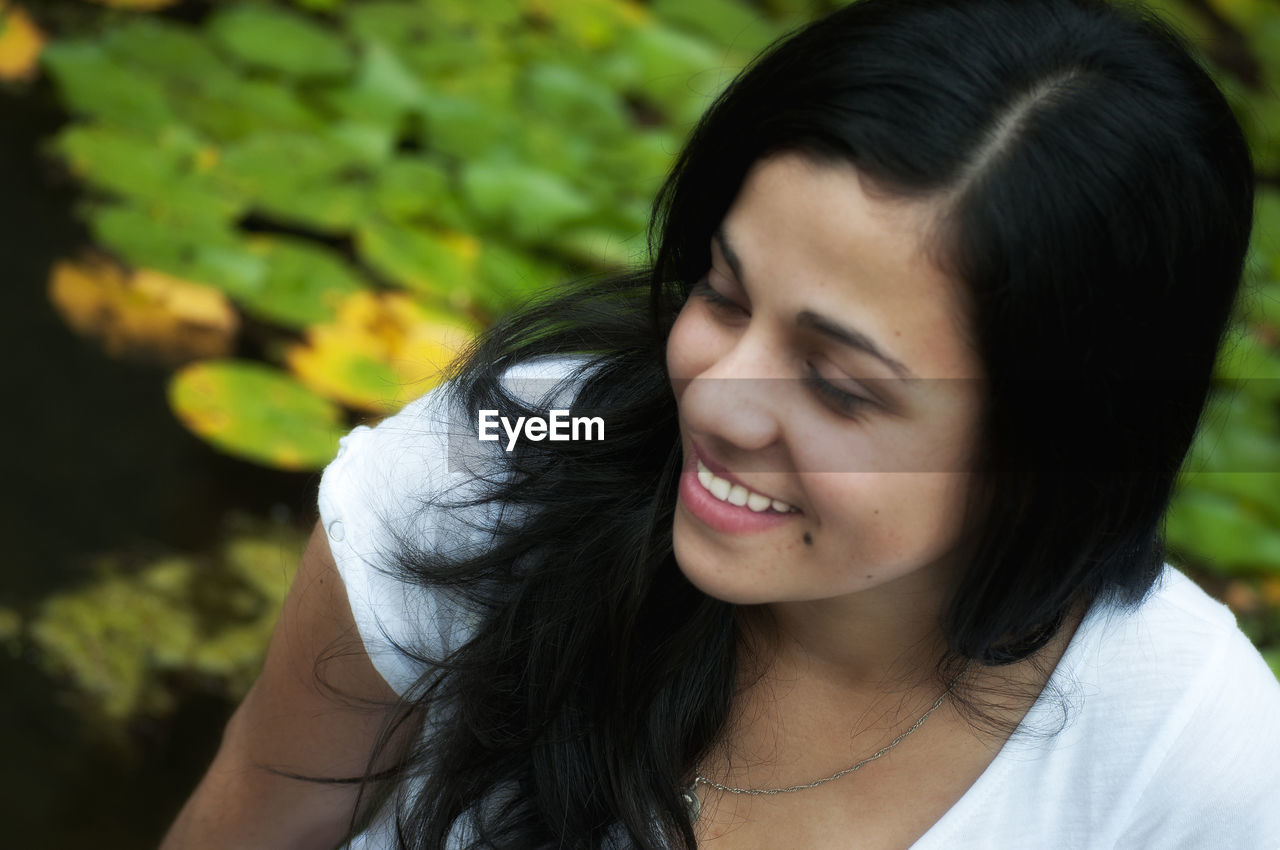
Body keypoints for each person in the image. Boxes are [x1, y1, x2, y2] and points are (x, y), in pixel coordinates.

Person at [161, 0, 1280, 847]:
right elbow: (254, 814)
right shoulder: (509, 459)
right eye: (721, 294)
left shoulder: (1184, 764)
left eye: (839, 386)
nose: (715, 396)